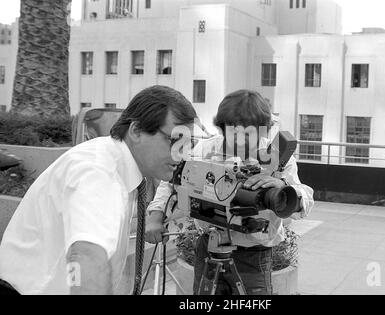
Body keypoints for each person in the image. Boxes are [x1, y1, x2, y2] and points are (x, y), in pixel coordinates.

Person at [0, 86, 197, 295]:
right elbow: (87, 256)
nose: (183, 155)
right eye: (175, 141)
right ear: (137, 130)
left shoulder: (116, 163)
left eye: (188, 144)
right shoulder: (98, 172)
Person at [147, 90, 314, 295]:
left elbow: (304, 199)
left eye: (249, 133)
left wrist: (282, 188)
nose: (241, 141)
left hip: (254, 255)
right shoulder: (205, 150)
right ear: (222, 128)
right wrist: (156, 215)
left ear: (264, 130)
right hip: (209, 246)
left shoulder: (276, 158)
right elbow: (173, 180)